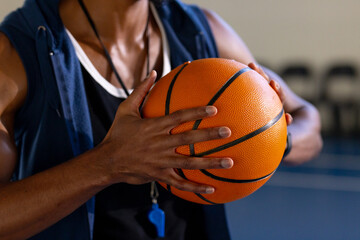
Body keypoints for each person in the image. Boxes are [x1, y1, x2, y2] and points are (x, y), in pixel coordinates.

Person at [0, 0, 322, 239]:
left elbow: (309, 120)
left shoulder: (200, 31)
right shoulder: (18, 53)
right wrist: (107, 163)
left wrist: (270, 137)